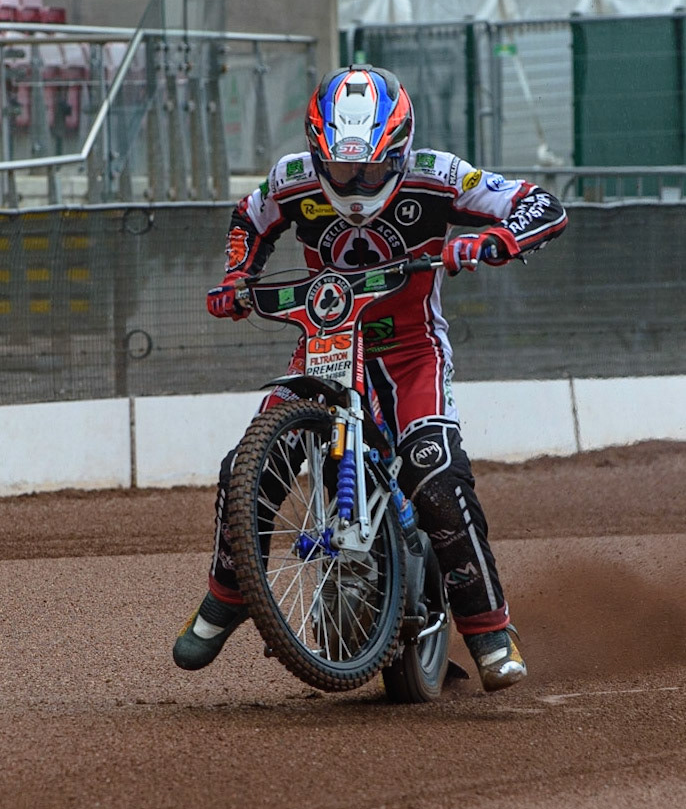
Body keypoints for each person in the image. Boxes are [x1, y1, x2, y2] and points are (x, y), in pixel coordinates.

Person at [173, 64, 568, 692]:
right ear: (314, 151)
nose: (357, 184)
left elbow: (541, 206)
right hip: (326, 343)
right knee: (249, 462)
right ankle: (229, 591)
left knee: (434, 472)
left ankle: (489, 627)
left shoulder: (440, 176)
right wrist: (236, 279)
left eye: (372, 170)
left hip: (411, 352)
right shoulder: (290, 180)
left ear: (401, 147)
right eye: (341, 171)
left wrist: (493, 240)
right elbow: (247, 220)